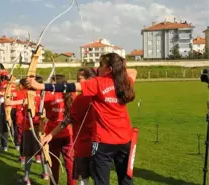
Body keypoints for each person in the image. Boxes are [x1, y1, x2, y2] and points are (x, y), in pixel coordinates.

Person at [27, 53, 137, 185]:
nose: (97, 68)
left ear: (109, 69)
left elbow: (68, 87)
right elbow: (133, 71)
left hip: (105, 141)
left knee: (101, 181)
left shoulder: (97, 83)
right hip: (125, 139)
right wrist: (116, 69)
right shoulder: (124, 82)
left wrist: (41, 86)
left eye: (101, 65)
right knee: (125, 179)